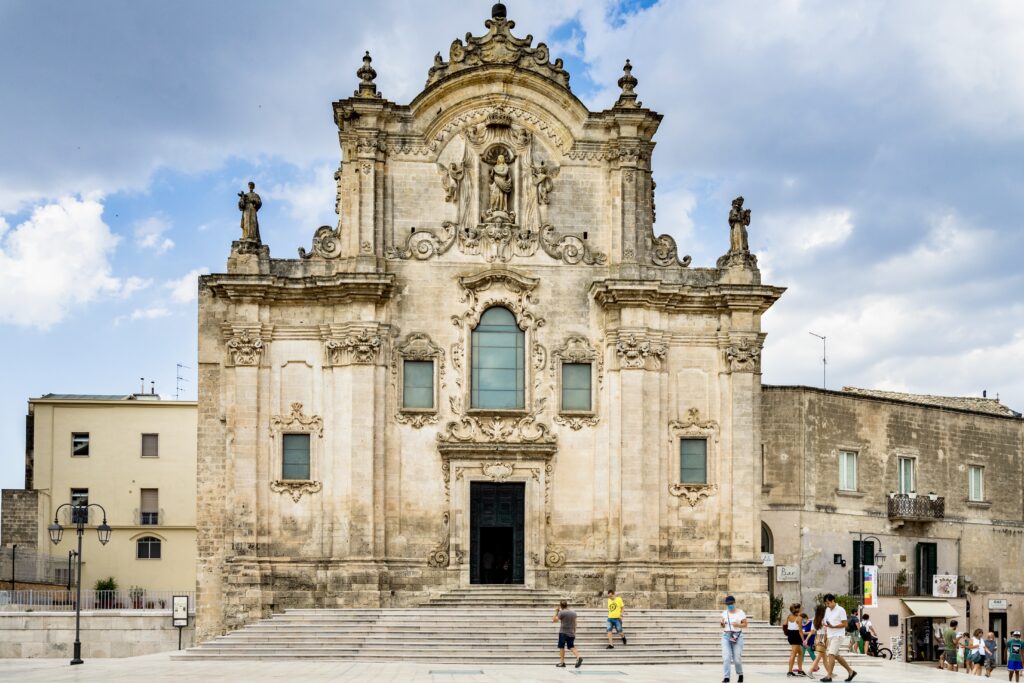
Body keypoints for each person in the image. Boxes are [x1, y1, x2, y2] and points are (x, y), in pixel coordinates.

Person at [821, 594, 856, 682]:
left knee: (831, 654)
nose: (827, 605)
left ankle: (829, 676)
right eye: (825, 603)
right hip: (830, 635)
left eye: (828, 603)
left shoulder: (841, 610)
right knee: (836, 656)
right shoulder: (827, 610)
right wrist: (825, 624)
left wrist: (833, 626)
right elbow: (826, 621)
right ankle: (851, 671)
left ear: (833, 601)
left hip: (838, 635)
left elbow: (845, 624)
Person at [720, 595, 748, 683]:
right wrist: (722, 624)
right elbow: (722, 625)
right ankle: (726, 677)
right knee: (726, 657)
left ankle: (740, 674)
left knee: (737, 658)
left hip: (737, 636)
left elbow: (745, 625)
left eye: (731, 604)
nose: (729, 605)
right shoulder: (724, 613)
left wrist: (738, 625)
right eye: (728, 604)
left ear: (734, 603)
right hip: (726, 636)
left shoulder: (740, 613)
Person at [552, 600, 582, 669]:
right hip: (571, 632)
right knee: (571, 646)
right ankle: (578, 657)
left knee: (561, 647)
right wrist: (574, 632)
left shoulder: (561, 612)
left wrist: (556, 612)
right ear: (567, 605)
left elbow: (554, 620)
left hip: (563, 632)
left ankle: (562, 663)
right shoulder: (573, 613)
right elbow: (575, 623)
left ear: (561, 606)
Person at [784, 602, 806, 676]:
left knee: (800, 653)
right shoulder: (799, 618)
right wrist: (804, 640)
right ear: (798, 609)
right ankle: (790, 671)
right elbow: (800, 630)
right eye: (799, 608)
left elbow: (784, 625)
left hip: (790, 634)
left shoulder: (789, 616)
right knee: (793, 653)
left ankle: (800, 670)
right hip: (796, 635)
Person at [809, 605, 828, 678]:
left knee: (824, 658)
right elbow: (827, 630)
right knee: (819, 656)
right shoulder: (824, 619)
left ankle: (830, 673)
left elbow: (813, 631)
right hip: (823, 639)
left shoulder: (814, 619)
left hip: (817, 638)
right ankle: (810, 671)